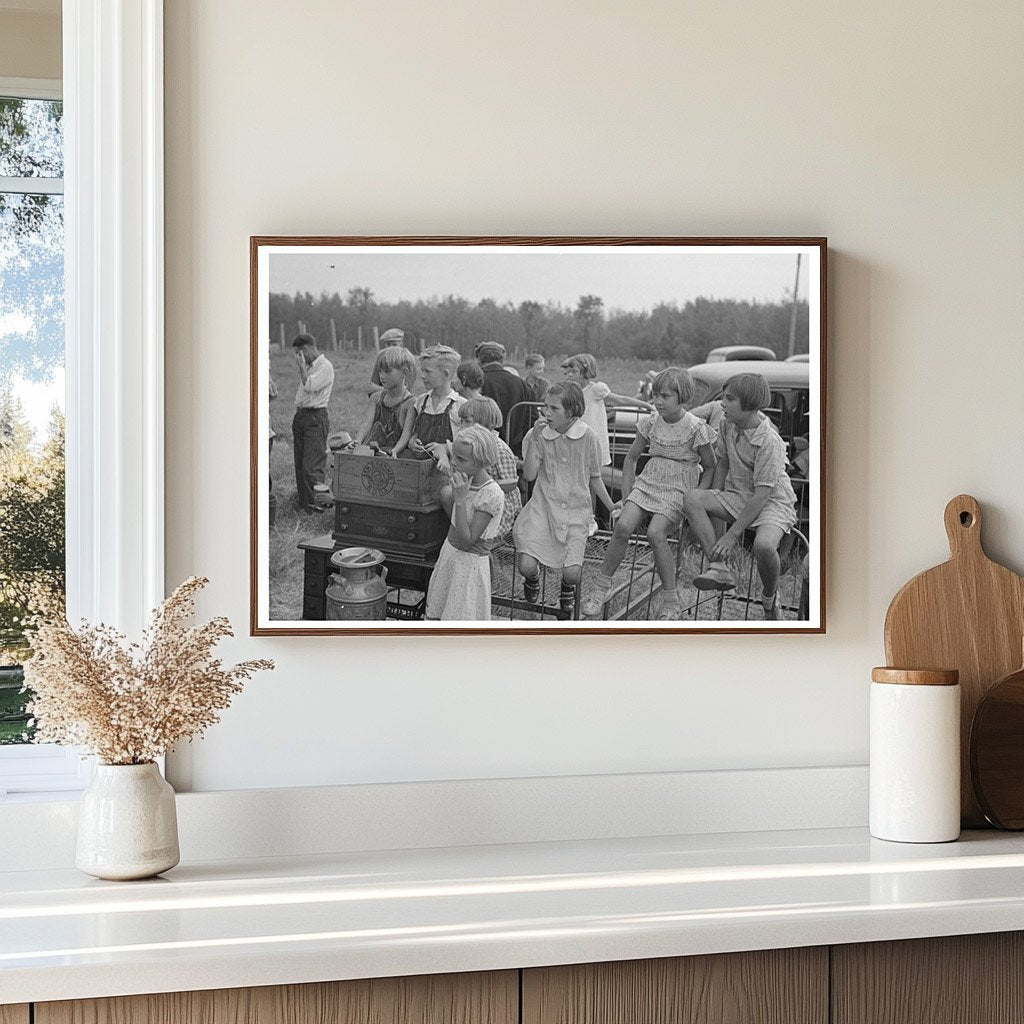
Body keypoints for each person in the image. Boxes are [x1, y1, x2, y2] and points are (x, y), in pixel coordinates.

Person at [582, 368, 717, 621]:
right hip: (650, 480)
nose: (658, 401)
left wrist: (697, 499)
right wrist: (626, 495)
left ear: (683, 396)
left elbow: (710, 465)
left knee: (656, 534)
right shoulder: (651, 422)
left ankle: (670, 601)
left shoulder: (695, 427)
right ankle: (602, 587)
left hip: (679, 485)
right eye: (656, 395)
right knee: (622, 526)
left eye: (665, 396)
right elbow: (632, 459)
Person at [683, 372, 798, 620]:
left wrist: (731, 535)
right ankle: (719, 568)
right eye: (723, 397)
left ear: (750, 403)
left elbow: (762, 494)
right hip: (739, 494)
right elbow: (723, 463)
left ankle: (769, 597)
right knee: (693, 498)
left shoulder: (770, 441)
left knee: (764, 546)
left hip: (771, 502)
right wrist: (716, 497)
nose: (722, 404)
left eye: (730, 399)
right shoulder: (727, 424)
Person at [512, 381, 617, 617]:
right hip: (542, 507)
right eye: (545, 407)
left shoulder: (588, 436)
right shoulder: (537, 434)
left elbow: (594, 477)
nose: (546, 413)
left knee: (572, 573)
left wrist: (611, 506)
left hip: (575, 511)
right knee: (526, 565)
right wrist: (536, 439)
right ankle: (532, 579)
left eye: (553, 408)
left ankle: (566, 586)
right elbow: (529, 475)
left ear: (572, 411)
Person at [561, 352, 654, 534]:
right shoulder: (571, 391)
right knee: (577, 481)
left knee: (591, 480)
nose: (569, 374)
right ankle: (578, 518)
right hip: (575, 440)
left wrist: (647, 406)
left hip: (591, 441)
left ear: (584, 371)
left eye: (574, 370)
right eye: (569, 371)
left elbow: (620, 400)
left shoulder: (596, 389)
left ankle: (590, 518)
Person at [425, 425, 505, 621]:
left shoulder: (491, 494)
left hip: (468, 568)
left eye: (461, 459)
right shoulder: (463, 480)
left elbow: (466, 541)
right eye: (454, 456)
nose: (454, 463)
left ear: (480, 462)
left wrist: (460, 500)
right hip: (450, 557)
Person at [458, 397, 522, 539]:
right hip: (475, 498)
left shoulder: (499, 449)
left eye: (467, 421)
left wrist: (481, 487)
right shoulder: (469, 443)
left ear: (486, 424)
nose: (462, 425)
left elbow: (510, 484)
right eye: (461, 421)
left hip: (497, 507)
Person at [392, 345, 465, 460]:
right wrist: (412, 442)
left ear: (445, 374)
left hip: (448, 468)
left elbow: (466, 443)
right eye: (422, 371)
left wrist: (445, 447)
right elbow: (415, 431)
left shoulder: (460, 405)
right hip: (420, 468)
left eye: (428, 372)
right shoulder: (421, 401)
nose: (422, 376)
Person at [290, 333, 334, 511]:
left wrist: (301, 367)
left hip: (316, 417)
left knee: (312, 466)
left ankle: (318, 506)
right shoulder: (310, 366)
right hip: (301, 415)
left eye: (299, 354)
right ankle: (305, 504)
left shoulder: (325, 366)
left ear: (306, 349)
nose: (299, 358)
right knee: (300, 464)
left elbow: (309, 386)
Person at [353, 345, 417, 452]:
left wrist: (395, 450)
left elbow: (407, 433)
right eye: (380, 371)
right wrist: (357, 441)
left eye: (387, 371)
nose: (381, 376)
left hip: (398, 456)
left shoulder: (410, 402)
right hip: (374, 451)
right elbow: (366, 424)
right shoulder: (376, 398)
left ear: (404, 372)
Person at [476, 341, 532, 455]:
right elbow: (531, 420)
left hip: (481, 447)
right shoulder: (522, 384)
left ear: (479, 360)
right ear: (502, 360)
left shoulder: (475, 383)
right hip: (515, 449)